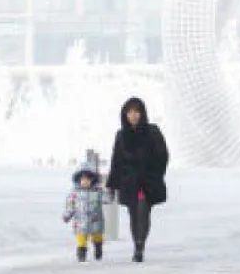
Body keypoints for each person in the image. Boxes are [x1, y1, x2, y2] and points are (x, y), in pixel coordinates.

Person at [106, 97, 169, 263]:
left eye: (136, 112)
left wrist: (155, 174)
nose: (133, 115)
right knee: (134, 214)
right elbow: (116, 161)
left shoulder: (153, 131)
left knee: (143, 210)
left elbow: (162, 155)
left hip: (148, 181)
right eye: (130, 112)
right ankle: (137, 244)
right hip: (129, 182)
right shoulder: (121, 135)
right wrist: (112, 184)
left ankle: (140, 245)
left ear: (142, 113)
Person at [62, 161, 105, 262]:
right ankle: (81, 252)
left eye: (87, 180)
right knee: (81, 238)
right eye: (83, 180)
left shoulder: (97, 191)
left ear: (92, 180)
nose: (85, 182)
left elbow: (107, 199)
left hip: (96, 220)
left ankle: (98, 247)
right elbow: (70, 205)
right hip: (80, 221)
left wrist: (108, 192)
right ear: (78, 180)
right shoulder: (75, 193)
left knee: (97, 236)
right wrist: (67, 215)